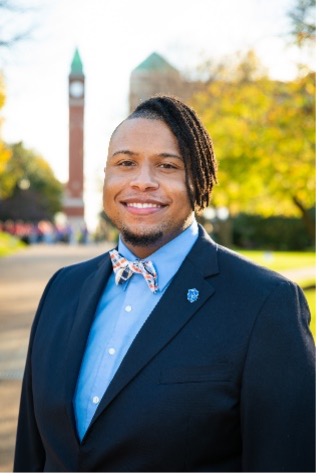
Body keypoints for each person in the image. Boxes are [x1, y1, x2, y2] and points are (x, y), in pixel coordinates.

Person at [14, 95, 315, 472]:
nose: (142, 182)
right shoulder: (62, 288)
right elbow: (31, 452)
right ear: (105, 176)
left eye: (167, 165)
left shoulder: (266, 304)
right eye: (125, 163)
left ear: (199, 181)